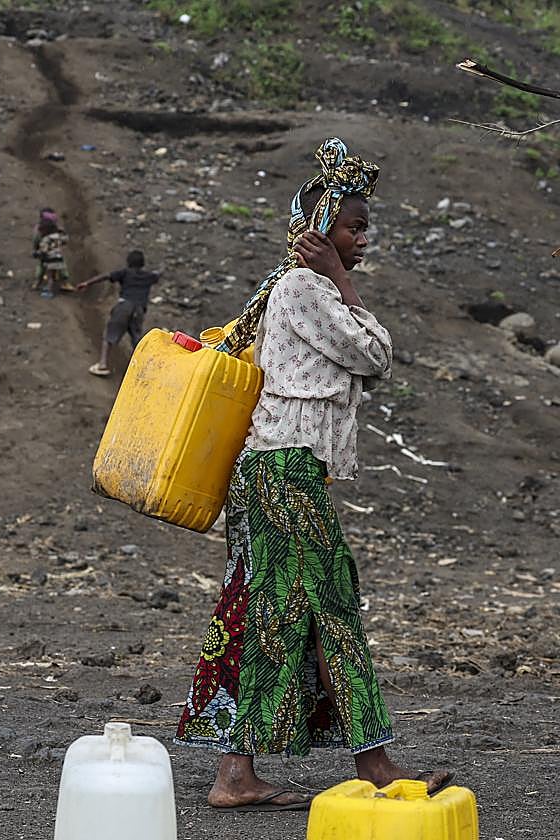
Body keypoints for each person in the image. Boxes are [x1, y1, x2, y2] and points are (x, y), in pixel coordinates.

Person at [173, 138, 452, 811]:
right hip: (282, 471)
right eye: (353, 228)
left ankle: (253, 771)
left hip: (282, 472)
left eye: (364, 229)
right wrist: (340, 277)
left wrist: (340, 276)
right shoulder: (304, 287)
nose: (362, 239)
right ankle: (357, 767)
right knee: (314, 609)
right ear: (320, 232)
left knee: (281, 611)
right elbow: (374, 353)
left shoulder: (302, 289)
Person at [75, 249, 159, 376]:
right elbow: (157, 275)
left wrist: (87, 283)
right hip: (139, 310)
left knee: (110, 334)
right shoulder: (148, 276)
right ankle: (145, 369)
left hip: (124, 306)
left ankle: (102, 365)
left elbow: (106, 276)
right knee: (136, 339)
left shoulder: (125, 273)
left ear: (128, 262)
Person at [32, 209, 71, 298]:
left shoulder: (45, 239)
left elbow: (43, 249)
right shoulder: (57, 236)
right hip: (58, 259)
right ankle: (65, 283)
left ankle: (45, 288)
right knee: (59, 271)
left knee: (47, 274)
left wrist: (36, 253)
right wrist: (64, 233)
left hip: (49, 260)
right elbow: (65, 240)